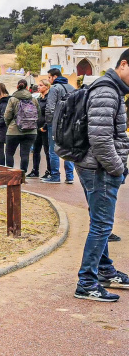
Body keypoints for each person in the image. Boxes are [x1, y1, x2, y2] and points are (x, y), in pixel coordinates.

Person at [57, 51, 129, 301]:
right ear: (123, 64)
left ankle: (105, 271)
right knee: (102, 225)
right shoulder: (108, 91)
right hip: (100, 168)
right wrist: (118, 168)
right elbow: (100, 139)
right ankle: (87, 282)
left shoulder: (109, 88)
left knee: (100, 222)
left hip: (95, 165)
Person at [43, 67, 75, 184]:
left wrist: (49, 122)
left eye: (49, 77)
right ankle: (70, 176)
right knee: (68, 149)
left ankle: (55, 176)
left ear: (55, 77)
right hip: (70, 123)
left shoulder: (54, 88)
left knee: (53, 150)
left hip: (56, 123)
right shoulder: (71, 87)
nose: (48, 80)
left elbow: (50, 107)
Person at [3, 79, 38, 171]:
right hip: (31, 131)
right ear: (27, 87)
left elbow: (7, 115)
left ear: (17, 87)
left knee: (9, 153)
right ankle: (22, 174)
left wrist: (9, 125)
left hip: (14, 131)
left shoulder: (13, 99)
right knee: (25, 154)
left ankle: (11, 174)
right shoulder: (34, 99)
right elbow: (38, 114)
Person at [27, 81, 50, 177]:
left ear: (47, 87)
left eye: (41, 85)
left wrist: (45, 126)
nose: (38, 87)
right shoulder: (39, 99)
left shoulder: (49, 99)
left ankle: (49, 171)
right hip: (37, 127)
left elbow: (50, 113)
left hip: (45, 128)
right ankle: (35, 170)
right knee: (36, 149)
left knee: (47, 150)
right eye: (38, 85)